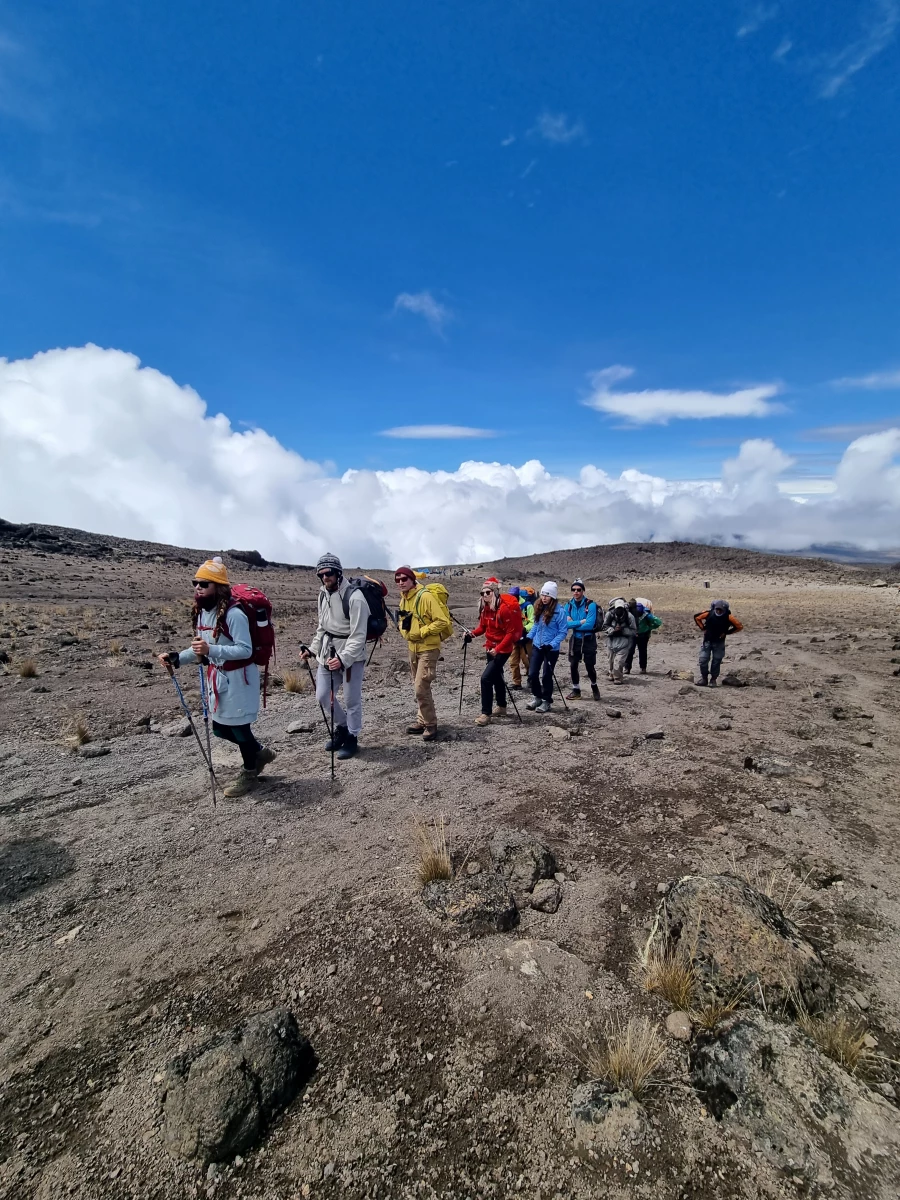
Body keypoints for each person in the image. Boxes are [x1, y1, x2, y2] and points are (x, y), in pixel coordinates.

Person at [158, 557, 274, 798]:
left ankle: (250, 771)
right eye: (196, 583)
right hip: (219, 678)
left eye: (204, 583)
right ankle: (260, 753)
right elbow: (201, 647)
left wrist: (212, 651)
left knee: (239, 728)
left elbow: (246, 650)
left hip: (240, 678)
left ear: (218, 587)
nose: (197, 587)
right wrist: (178, 658)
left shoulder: (235, 614)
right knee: (221, 729)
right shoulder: (203, 614)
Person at [300, 552, 370, 759]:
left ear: (338, 572)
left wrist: (343, 658)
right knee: (323, 696)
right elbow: (322, 628)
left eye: (328, 573)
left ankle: (352, 737)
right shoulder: (322, 594)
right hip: (326, 653)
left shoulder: (355, 598)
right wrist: (312, 649)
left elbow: (359, 636)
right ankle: (342, 727)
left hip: (351, 657)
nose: (324, 578)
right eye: (320, 574)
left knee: (352, 700)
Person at [395, 564, 451, 741]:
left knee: (420, 687)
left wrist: (422, 632)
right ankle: (422, 720)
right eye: (398, 580)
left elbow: (442, 621)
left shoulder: (425, 596)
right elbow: (403, 621)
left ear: (412, 580)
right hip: (413, 648)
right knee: (420, 686)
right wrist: (406, 633)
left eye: (404, 579)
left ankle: (431, 725)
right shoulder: (404, 599)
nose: (401, 582)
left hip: (428, 648)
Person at [464, 577, 522, 726]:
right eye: (482, 593)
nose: (484, 595)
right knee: (497, 676)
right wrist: (471, 634)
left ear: (495, 592)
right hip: (490, 647)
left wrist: (498, 649)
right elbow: (482, 628)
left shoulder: (503, 609)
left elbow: (510, 633)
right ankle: (502, 707)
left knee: (486, 678)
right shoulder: (485, 609)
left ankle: (486, 714)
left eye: (488, 592)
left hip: (502, 649)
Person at [526, 582, 569, 713]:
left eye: (547, 595)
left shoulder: (559, 612)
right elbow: (536, 626)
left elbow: (563, 632)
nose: (544, 597)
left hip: (550, 649)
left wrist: (551, 645)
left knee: (546, 675)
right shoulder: (539, 607)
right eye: (543, 594)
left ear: (553, 597)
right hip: (537, 646)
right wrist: (528, 637)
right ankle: (537, 696)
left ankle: (546, 701)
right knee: (532, 674)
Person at [564, 578, 600, 700]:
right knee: (573, 664)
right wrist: (580, 622)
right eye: (573, 590)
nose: (576, 592)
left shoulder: (591, 605)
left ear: (583, 591)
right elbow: (565, 624)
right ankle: (576, 690)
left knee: (589, 666)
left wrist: (573, 623)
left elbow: (589, 625)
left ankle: (594, 686)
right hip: (576, 640)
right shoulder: (568, 606)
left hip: (589, 639)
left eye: (579, 589)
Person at [694, 599, 743, 687]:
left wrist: (727, 632)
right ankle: (704, 678)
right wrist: (703, 628)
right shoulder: (709, 614)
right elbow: (697, 618)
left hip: (719, 642)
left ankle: (713, 680)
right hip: (708, 641)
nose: (719, 611)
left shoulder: (729, 617)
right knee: (703, 660)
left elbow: (739, 626)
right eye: (717, 609)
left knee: (716, 661)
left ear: (725, 610)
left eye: (721, 610)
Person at [602, 597, 637, 684]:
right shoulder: (609, 615)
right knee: (610, 661)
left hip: (623, 643)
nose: (619, 610)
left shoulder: (630, 617)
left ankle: (618, 678)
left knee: (619, 662)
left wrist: (622, 630)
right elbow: (604, 627)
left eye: (621, 608)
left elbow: (633, 631)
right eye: (618, 608)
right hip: (611, 642)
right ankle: (611, 673)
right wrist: (613, 630)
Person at [625, 597, 663, 675]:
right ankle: (628, 668)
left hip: (643, 635)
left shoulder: (646, 615)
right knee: (631, 651)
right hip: (633, 634)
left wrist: (650, 627)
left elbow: (658, 622)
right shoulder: (630, 613)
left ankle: (642, 668)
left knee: (641, 651)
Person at [508, 587, 535, 689]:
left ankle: (531, 678)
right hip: (514, 639)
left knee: (527, 661)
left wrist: (524, 628)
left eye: (513, 596)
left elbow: (532, 622)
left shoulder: (528, 607)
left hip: (525, 638)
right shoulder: (508, 606)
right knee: (513, 661)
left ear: (517, 596)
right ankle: (517, 683)